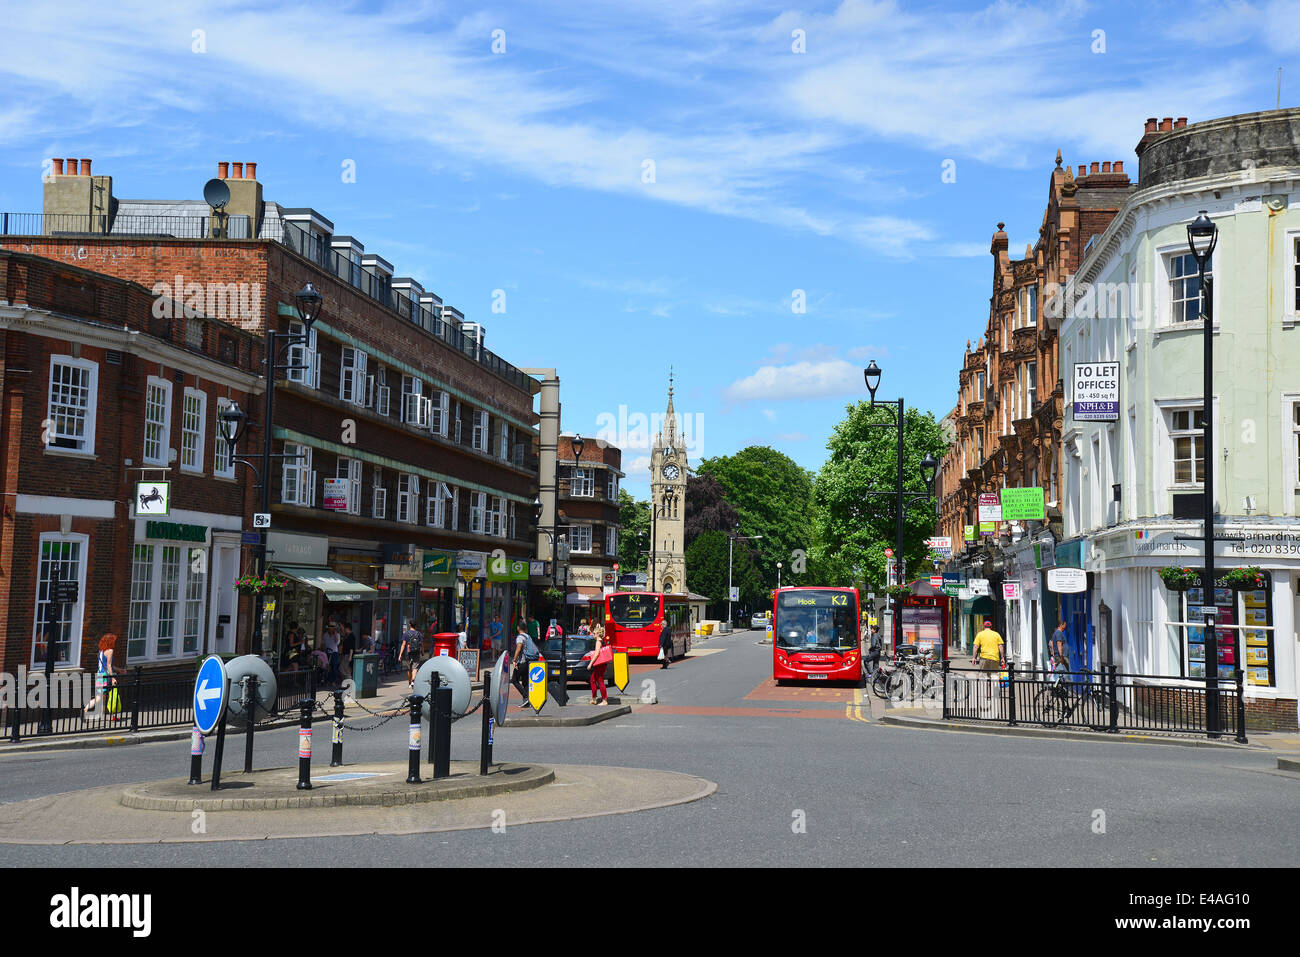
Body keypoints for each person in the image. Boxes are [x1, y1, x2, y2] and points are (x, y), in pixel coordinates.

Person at [83, 633, 123, 717]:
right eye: (113, 641)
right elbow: (109, 666)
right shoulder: (110, 651)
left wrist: (119, 670)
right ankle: (110, 714)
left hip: (99, 675)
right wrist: (112, 678)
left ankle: (92, 710)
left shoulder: (101, 652)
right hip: (106, 677)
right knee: (111, 695)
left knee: (101, 696)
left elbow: (107, 665)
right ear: (110, 642)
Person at [972, 619, 1005, 701]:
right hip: (994, 658)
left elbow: (975, 647)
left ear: (984, 626)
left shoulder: (980, 634)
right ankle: (995, 694)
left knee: (984, 677)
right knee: (994, 676)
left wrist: (974, 657)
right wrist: (1002, 658)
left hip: (984, 658)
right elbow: (1000, 647)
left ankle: (987, 694)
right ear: (991, 626)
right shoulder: (996, 634)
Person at [586, 628, 612, 705]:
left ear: (598, 634)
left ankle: (604, 700)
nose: (592, 634)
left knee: (599, 681)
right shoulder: (602, 641)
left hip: (600, 664)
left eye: (594, 633)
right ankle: (594, 699)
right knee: (593, 680)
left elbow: (597, 654)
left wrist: (590, 663)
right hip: (602, 664)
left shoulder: (598, 641)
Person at [399, 619, 424, 687]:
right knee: (415, 667)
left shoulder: (406, 634)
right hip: (416, 652)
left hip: (408, 653)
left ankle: (410, 683)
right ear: (416, 625)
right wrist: (422, 652)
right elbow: (421, 644)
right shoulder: (419, 634)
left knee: (409, 668)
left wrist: (400, 654)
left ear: (409, 625)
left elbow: (403, 645)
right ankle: (413, 680)